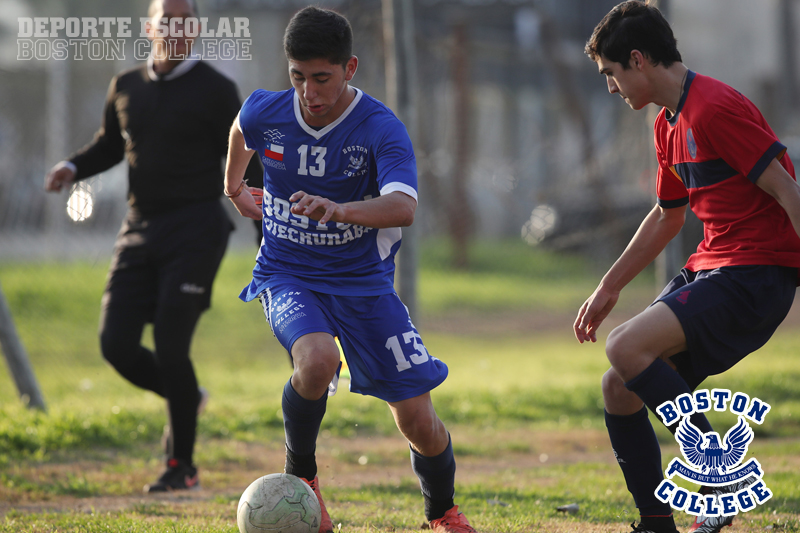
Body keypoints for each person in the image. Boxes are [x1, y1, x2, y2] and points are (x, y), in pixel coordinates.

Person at [224, 6, 478, 533]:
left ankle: (443, 513)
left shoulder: (379, 129)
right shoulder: (266, 111)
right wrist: (234, 187)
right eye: (298, 76)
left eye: (322, 78)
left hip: (364, 285)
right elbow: (241, 131)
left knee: (419, 423)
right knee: (316, 361)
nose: (309, 92)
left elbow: (403, 206)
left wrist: (339, 209)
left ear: (350, 68)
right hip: (287, 272)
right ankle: (304, 481)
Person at [575, 2, 800, 533]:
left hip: (755, 274)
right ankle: (656, 523)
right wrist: (609, 287)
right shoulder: (667, 125)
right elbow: (667, 216)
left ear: (638, 59)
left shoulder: (716, 107)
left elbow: (787, 189)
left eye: (611, 74)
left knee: (624, 346)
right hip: (715, 268)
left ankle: (721, 481)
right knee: (619, 386)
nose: (611, 87)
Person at [44, 0, 262, 493]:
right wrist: (73, 167)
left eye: (185, 21)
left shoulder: (216, 90)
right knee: (115, 345)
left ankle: (180, 465)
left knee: (170, 343)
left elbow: (249, 163)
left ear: (196, 30)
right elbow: (110, 144)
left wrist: (264, 228)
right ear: (150, 28)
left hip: (196, 232)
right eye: (167, 20)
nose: (176, 29)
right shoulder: (126, 86)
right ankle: (189, 396)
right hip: (139, 229)